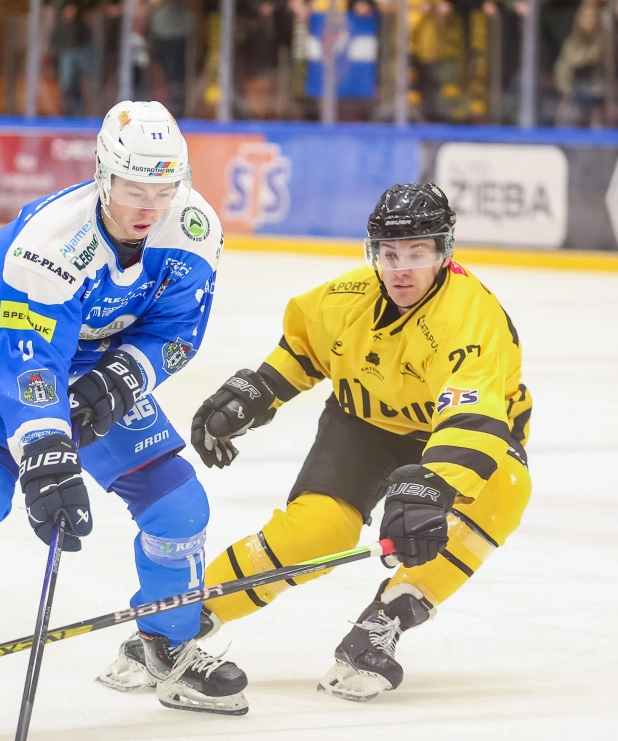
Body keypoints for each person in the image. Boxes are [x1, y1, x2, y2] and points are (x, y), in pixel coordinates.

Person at [0, 101, 238, 741]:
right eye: (133, 187)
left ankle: (166, 644)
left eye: (163, 188)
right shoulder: (52, 241)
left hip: (92, 357)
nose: (149, 206)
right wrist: (46, 452)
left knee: (179, 506)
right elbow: (27, 361)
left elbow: (178, 330)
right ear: (102, 176)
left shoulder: (194, 228)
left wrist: (120, 379)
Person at [189, 183, 532, 702]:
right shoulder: (346, 298)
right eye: (389, 254)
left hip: (456, 435)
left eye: (417, 254)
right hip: (363, 424)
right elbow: (304, 348)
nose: (401, 270)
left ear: (445, 252)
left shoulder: (470, 318)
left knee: (505, 486)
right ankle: (183, 621)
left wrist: (436, 485)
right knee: (317, 533)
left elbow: (471, 417)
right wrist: (258, 390)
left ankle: (385, 619)